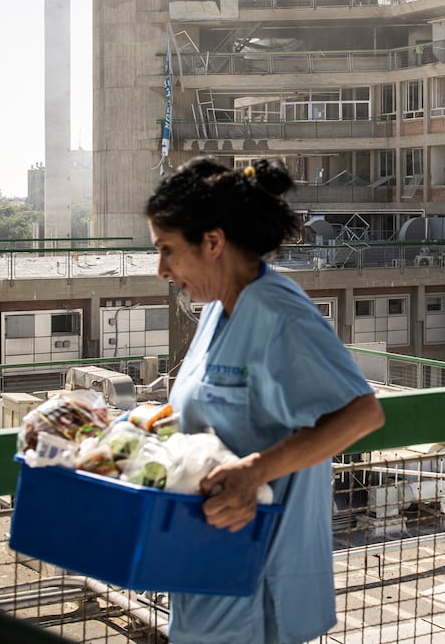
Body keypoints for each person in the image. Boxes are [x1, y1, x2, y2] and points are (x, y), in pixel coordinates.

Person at [145, 156, 385, 644]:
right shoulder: (217, 309)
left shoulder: (281, 313)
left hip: (260, 586)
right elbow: (214, 410)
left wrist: (254, 472)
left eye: (168, 250)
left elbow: (363, 412)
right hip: (206, 571)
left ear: (213, 242)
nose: (161, 270)